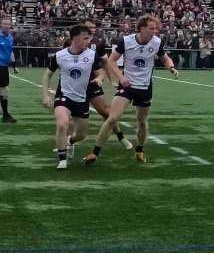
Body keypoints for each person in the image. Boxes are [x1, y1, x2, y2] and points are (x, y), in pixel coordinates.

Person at [84, 14, 178, 165]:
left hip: (145, 87)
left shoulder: (157, 42)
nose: (155, 31)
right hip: (127, 85)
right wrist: (121, 78)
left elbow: (165, 58)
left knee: (141, 121)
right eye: (151, 28)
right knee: (112, 118)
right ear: (141, 28)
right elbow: (112, 61)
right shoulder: (126, 41)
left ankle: (139, 150)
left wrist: (171, 67)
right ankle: (95, 152)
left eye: (156, 28)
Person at [41, 24, 97, 170]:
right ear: (75, 38)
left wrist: (100, 78)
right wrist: (46, 95)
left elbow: (101, 70)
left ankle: (69, 141)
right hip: (64, 96)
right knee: (62, 124)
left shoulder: (91, 55)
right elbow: (47, 75)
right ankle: (62, 158)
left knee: (81, 135)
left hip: (82, 99)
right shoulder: (60, 56)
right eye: (85, 38)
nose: (88, 41)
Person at [78, 19, 132, 151]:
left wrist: (110, 79)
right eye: (89, 27)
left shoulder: (99, 42)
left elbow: (106, 62)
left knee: (107, 113)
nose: (92, 29)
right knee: (69, 116)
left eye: (93, 27)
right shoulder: (74, 40)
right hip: (76, 83)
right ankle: (65, 144)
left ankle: (121, 137)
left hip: (92, 81)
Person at [0, 14, 16, 123]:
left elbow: (10, 52)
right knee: (3, 90)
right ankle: (5, 114)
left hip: (4, 67)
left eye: (8, 24)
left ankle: (5, 114)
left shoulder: (10, 37)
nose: (6, 26)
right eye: (4, 24)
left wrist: (14, 66)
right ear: (1, 25)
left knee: (3, 90)